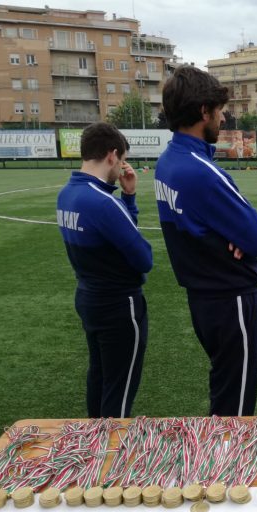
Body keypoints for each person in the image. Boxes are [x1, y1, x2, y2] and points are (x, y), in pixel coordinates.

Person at [156, 66, 257, 416]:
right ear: (203, 111)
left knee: (224, 389)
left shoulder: (167, 161)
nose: (223, 118)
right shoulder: (201, 171)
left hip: (204, 298)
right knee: (235, 408)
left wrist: (230, 233)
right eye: (220, 110)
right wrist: (236, 236)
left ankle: (217, 448)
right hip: (229, 298)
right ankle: (223, 454)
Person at [56, 122, 152, 418]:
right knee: (119, 388)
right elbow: (144, 257)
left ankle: (93, 438)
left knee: (99, 375)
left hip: (89, 297)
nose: (122, 167)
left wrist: (129, 196)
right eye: (122, 160)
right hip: (119, 304)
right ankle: (111, 444)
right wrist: (127, 202)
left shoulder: (66, 194)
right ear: (112, 155)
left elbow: (120, 236)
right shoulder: (103, 203)